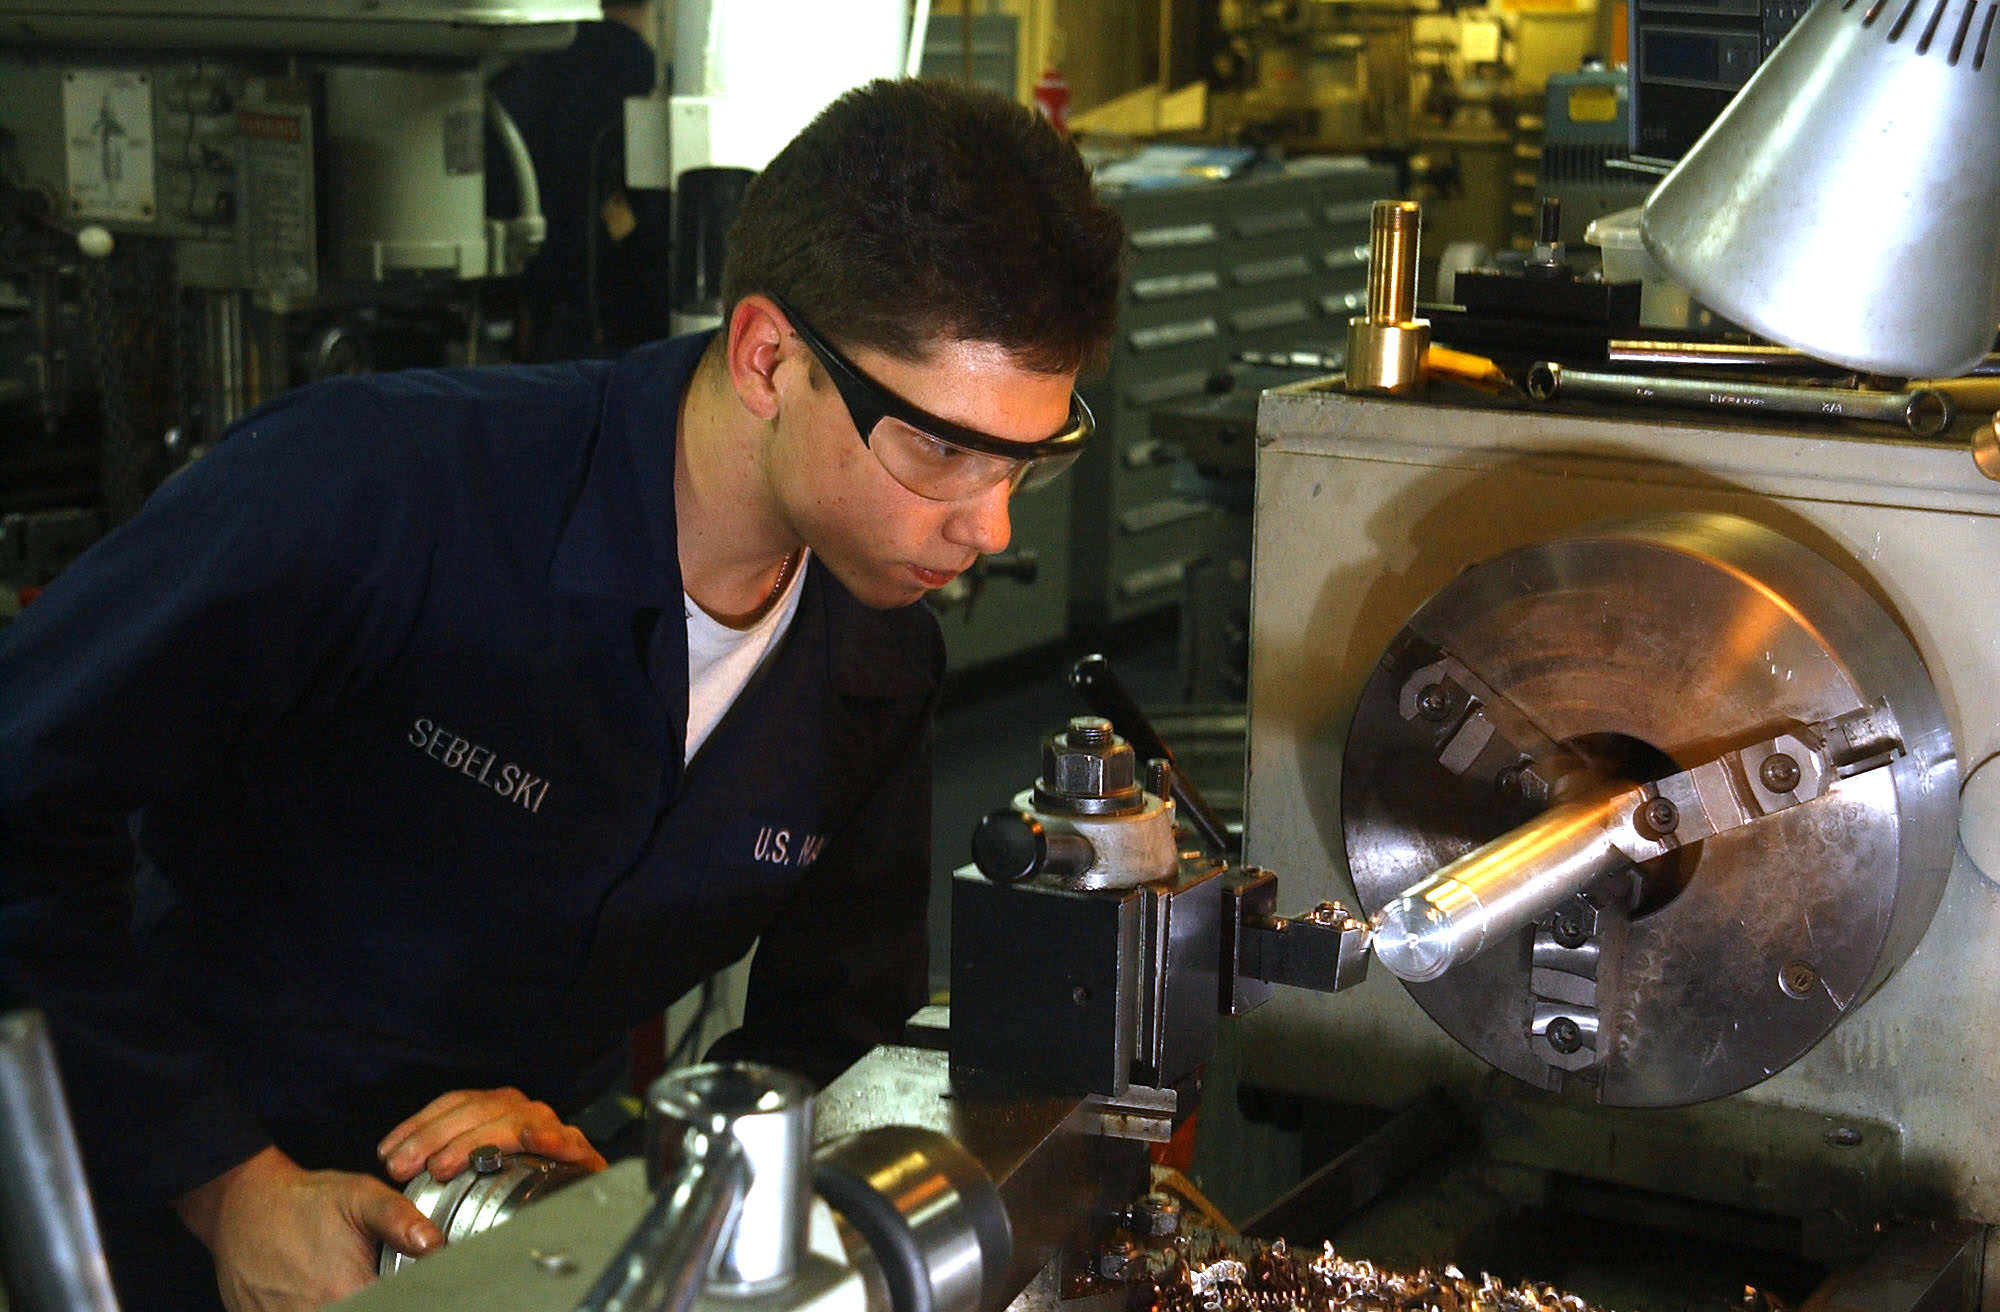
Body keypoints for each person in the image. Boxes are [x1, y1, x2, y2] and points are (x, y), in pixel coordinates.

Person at [0, 77, 1125, 1310]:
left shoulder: (874, 661)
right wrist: (227, 1182)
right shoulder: (379, 492)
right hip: (156, 1225)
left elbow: (824, 1040)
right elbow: (19, 805)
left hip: (516, 1246)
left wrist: (646, 1174)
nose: (987, 523)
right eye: (941, 448)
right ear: (767, 358)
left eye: (1029, 456)